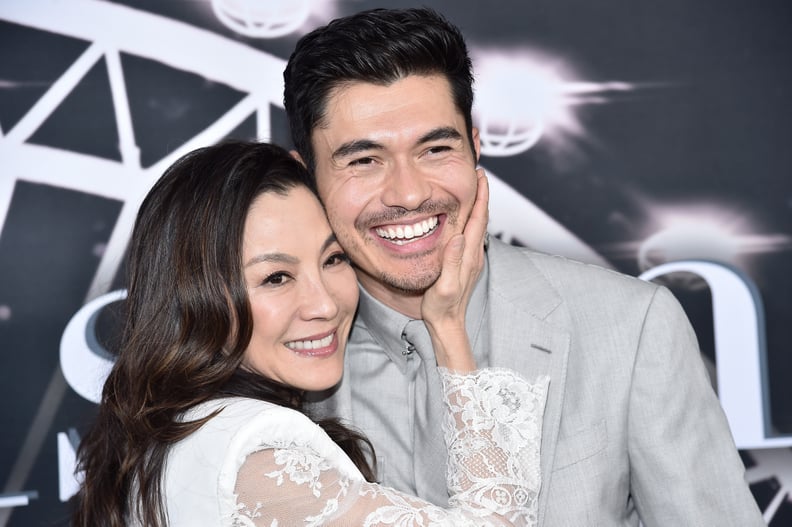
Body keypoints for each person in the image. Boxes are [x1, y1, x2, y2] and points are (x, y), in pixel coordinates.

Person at [282, 7, 764, 526]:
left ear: (475, 146)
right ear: (305, 176)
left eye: (435, 148)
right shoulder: (271, 350)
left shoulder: (631, 326)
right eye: (364, 160)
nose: (409, 193)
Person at [71, 140, 550, 526]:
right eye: (276, 278)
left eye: (333, 259)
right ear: (195, 296)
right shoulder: (256, 455)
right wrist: (447, 324)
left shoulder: (173, 431)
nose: (325, 304)